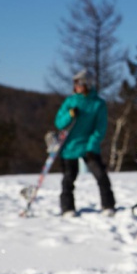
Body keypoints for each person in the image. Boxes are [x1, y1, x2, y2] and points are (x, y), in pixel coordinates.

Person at [55, 69, 116, 217]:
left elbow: (100, 127)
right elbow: (59, 123)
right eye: (75, 83)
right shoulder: (70, 102)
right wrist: (70, 115)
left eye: (79, 83)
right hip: (70, 146)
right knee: (68, 178)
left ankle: (108, 205)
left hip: (89, 145)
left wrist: (92, 145)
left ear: (87, 84)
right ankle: (67, 208)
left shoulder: (98, 104)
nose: (76, 86)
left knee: (101, 175)